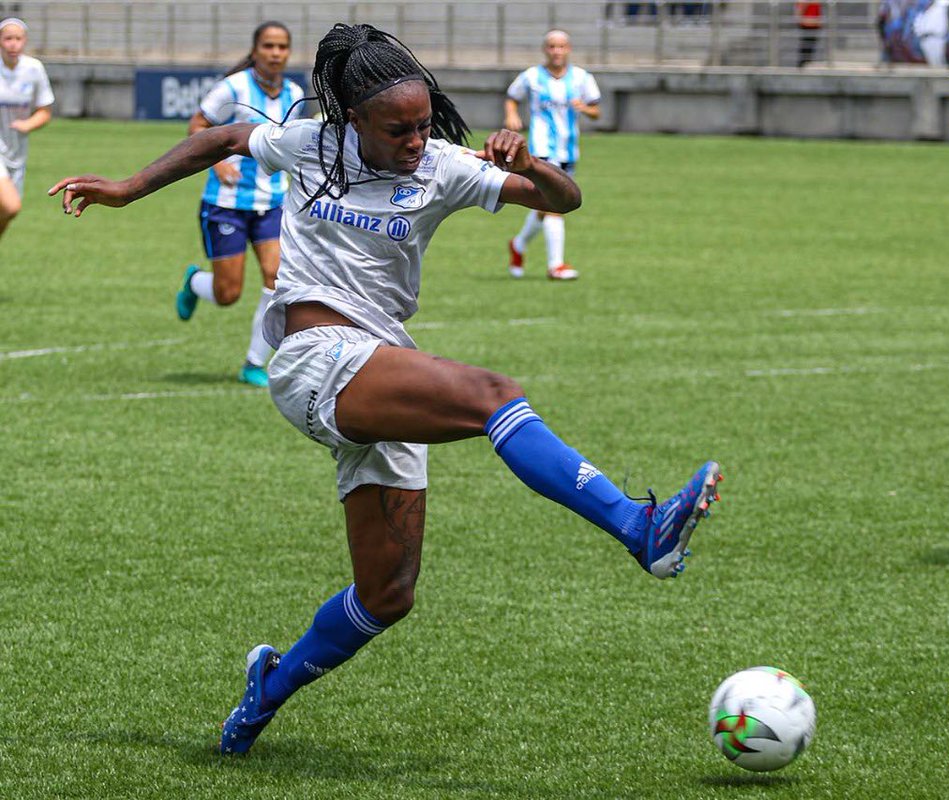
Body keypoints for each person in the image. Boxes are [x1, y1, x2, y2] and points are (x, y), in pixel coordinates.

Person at [51, 23, 721, 755]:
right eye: (397, 128)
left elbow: (564, 200)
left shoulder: (443, 166)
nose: (414, 139)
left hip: (377, 365)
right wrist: (124, 188)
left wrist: (531, 159)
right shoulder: (310, 143)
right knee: (492, 392)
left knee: (387, 595)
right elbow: (220, 139)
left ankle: (264, 690)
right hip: (311, 360)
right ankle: (637, 526)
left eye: (424, 122)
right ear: (352, 119)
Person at [175, 21, 304, 387]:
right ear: (255, 50)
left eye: (282, 47)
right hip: (225, 205)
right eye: (268, 46)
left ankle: (253, 363)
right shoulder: (233, 88)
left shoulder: (294, 92)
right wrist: (217, 162)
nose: (276, 54)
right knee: (227, 293)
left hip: (273, 202)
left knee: (276, 279)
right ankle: (195, 282)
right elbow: (197, 127)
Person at [503, 29, 600, 280]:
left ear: (569, 49)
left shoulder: (581, 77)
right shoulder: (532, 76)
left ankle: (519, 245)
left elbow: (596, 111)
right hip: (541, 150)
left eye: (561, 46)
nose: (556, 51)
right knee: (555, 204)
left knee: (545, 205)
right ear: (545, 49)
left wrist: (586, 109)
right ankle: (555, 266)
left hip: (568, 149)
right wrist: (512, 114)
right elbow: (512, 97)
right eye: (552, 47)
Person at [0, 17, 52, 245]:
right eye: (7, 38)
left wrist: (27, 125)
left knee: (9, 213)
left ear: (25, 41)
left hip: (17, 151)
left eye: (18, 38)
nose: (13, 44)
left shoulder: (33, 69)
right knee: (11, 205)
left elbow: (45, 110)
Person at [795, 3, 823, 67]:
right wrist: (800, 19)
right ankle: (803, 63)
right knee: (806, 44)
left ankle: (807, 62)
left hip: (814, 23)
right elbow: (800, 7)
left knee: (811, 44)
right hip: (807, 22)